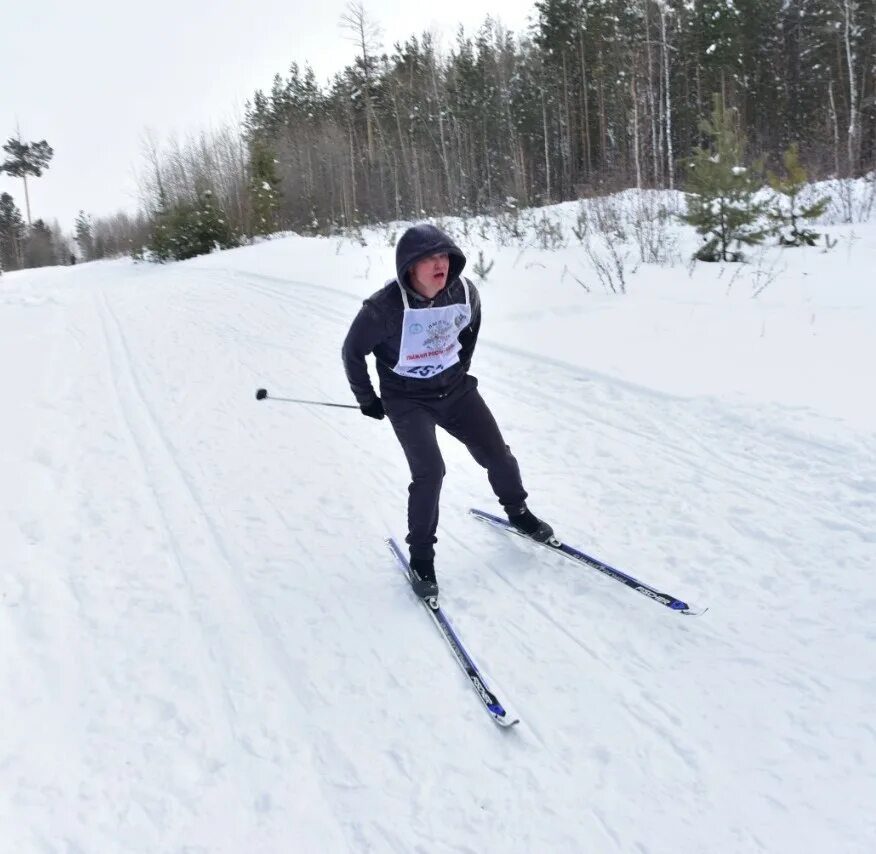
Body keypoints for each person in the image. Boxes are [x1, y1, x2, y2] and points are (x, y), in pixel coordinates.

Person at [341, 224, 553, 600]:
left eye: (445, 257)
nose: (441, 265)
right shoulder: (382, 309)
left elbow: (469, 331)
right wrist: (367, 398)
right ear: (410, 267)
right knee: (430, 472)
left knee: (498, 455)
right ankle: (422, 556)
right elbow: (352, 352)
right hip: (407, 400)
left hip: (454, 391)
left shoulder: (465, 292)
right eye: (430, 258)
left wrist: (457, 370)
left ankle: (518, 511)